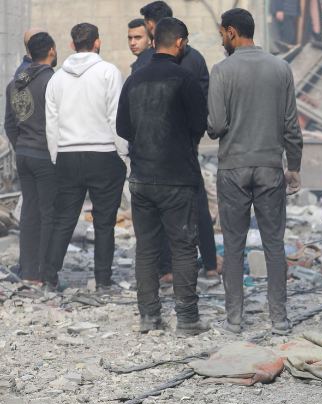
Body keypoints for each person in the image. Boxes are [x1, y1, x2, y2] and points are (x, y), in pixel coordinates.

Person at [207, 8, 303, 335]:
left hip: (232, 167)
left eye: (222, 33)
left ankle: (234, 319)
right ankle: (279, 319)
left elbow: (216, 125)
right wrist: (295, 167)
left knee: (234, 245)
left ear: (232, 32)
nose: (222, 39)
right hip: (270, 167)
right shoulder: (281, 68)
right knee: (274, 243)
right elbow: (291, 124)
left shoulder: (221, 71)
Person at [117, 17, 209, 336]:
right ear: (180, 42)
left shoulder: (134, 80)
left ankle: (149, 316)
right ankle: (186, 319)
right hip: (177, 178)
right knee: (183, 245)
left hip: (141, 177)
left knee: (147, 247)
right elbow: (200, 124)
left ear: (154, 41)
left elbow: (122, 129)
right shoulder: (185, 80)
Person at [136, 1, 218, 286]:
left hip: (152, 156)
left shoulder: (146, 65)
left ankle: (166, 274)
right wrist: (189, 141)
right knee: (195, 208)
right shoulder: (195, 61)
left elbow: (126, 121)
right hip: (184, 151)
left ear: (154, 27)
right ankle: (208, 265)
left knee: (157, 222)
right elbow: (201, 112)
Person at [43, 23, 126, 290]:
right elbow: (116, 117)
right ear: (97, 42)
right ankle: (102, 279)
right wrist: (123, 153)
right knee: (104, 221)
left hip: (67, 154)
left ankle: (50, 276)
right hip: (103, 153)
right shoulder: (109, 72)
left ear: (71, 45)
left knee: (64, 219)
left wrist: (57, 156)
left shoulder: (56, 78)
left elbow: (51, 123)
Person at [4, 32, 57, 285]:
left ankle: (29, 271)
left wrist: (21, 145)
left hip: (24, 154)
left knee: (29, 212)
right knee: (49, 214)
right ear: (52, 51)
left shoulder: (15, 83)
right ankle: (46, 273)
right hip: (45, 155)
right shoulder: (52, 82)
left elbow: (9, 124)